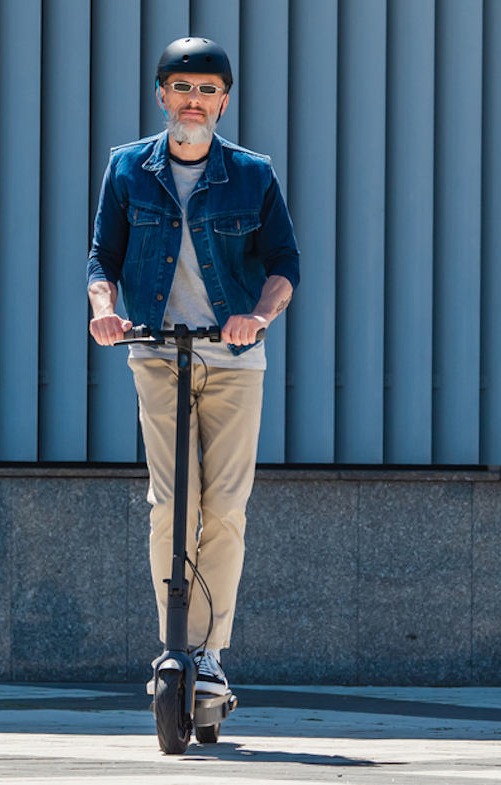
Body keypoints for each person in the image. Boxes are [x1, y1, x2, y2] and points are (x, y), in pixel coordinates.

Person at [85, 37, 300, 697]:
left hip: (234, 359)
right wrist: (104, 311)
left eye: (208, 90)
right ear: (161, 95)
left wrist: (258, 317)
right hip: (156, 354)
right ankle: (173, 644)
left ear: (224, 100)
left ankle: (208, 653)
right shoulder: (128, 170)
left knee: (226, 506)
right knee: (169, 505)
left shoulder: (252, 174)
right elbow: (103, 261)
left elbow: (284, 266)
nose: (195, 100)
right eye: (183, 89)